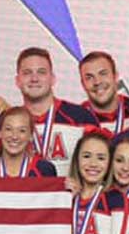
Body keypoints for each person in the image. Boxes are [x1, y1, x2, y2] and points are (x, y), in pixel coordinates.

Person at [16, 47, 101, 175]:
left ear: (53, 79)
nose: (34, 78)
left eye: (41, 72)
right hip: (26, 194)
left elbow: (100, 165)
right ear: (17, 81)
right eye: (27, 73)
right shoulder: (11, 122)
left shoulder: (81, 117)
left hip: (70, 194)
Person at [78, 51, 129, 135]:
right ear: (83, 84)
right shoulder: (75, 119)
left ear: (115, 76)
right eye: (89, 78)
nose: (97, 82)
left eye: (103, 74)